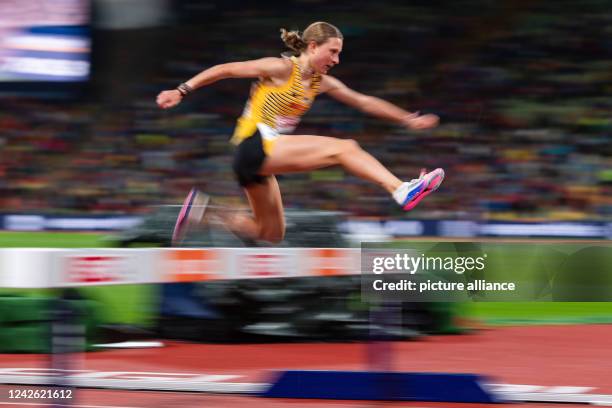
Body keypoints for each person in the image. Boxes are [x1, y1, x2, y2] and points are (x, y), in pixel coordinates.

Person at [156, 21, 444, 244]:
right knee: (346, 148)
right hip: (254, 143)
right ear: (313, 46)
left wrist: (406, 118)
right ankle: (401, 189)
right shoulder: (281, 68)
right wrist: (181, 90)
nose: (336, 60)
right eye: (333, 52)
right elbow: (225, 69)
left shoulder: (322, 82)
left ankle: (204, 212)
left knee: (269, 233)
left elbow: (363, 101)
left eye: (339, 54)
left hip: (258, 162)